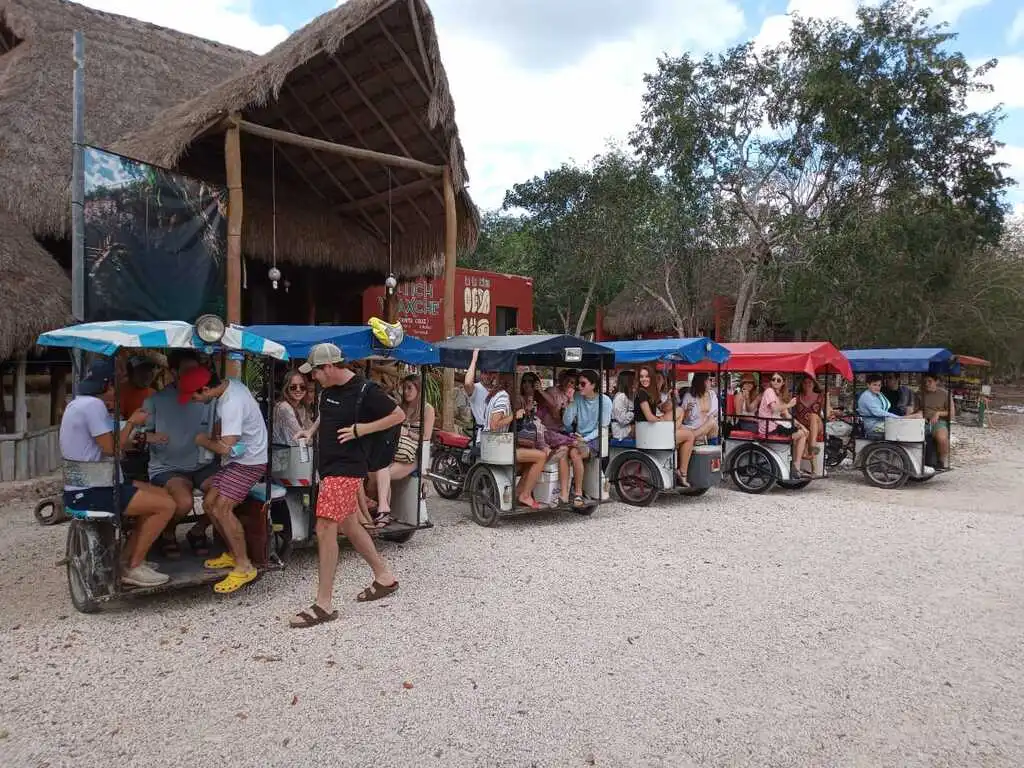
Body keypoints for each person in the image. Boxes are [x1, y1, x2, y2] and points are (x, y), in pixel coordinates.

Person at [289, 343, 404, 628]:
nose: (311, 378)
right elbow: (325, 416)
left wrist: (361, 430)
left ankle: (323, 604)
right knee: (351, 525)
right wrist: (311, 430)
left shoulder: (366, 391)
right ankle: (384, 577)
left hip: (347, 468)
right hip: (329, 467)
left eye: (314, 372)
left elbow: (397, 415)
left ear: (328, 367)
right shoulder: (327, 392)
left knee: (325, 526)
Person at [60, 359, 175, 587]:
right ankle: (133, 567)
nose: (117, 391)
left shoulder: (78, 403)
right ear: (106, 385)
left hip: (88, 484)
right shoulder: (93, 406)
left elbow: (107, 441)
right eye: (115, 385)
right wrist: (132, 422)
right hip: (93, 490)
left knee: (160, 496)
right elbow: (111, 448)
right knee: (166, 506)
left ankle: (126, 560)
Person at [177, 365, 268, 594]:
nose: (195, 400)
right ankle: (232, 553)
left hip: (248, 462)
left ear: (206, 388)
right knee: (209, 504)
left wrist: (202, 441)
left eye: (196, 395)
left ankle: (244, 566)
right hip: (240, 460)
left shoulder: (231, 404)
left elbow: (227, 448)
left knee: (222, 509)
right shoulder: (230, 384)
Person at [143, 350, 218, 558]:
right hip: (168, 467)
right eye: (187, 371)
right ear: (174, 372)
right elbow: (139, 435)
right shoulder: (156, 400)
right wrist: (152, 438)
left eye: (196, 370)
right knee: (183, 503)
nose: (193, 375)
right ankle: (167, 532)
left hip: (202, 463)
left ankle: (198, 530)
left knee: (227, 494)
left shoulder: (207, 398)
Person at [483, 372, 549, 508]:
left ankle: (518, 492)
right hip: (498, 446)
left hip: (497, 443)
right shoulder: (503, 397)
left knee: (530, 461)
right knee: (541, 456)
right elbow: (494, 425)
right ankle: (525, 495)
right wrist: (515, 415)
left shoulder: (496, 395)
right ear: (510, 382)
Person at [378, 374, 435, 509]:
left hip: (413, 455)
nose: (406, 392)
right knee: (375, 472)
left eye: (410, 388)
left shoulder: (427, 409)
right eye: (404, 388)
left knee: (384, 474)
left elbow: (426, 436)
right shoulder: (400, 407)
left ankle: (383, 513)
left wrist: (408, 432)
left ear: (418, 389)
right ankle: (382, 509)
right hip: (395, 451)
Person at [635, 365, 696, 487]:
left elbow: (664, 408)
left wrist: (670, 397)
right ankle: (682, 472)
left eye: (646, 376)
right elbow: (649, 417)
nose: (644, 379)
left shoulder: (651, 393)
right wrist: (662, 420)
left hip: (652, 429)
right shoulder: (641, 393)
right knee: (689, 434)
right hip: (648, 430)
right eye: (641, 377)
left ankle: (681, 470)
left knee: (680, 413)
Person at [563, 369, 613, 507]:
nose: (579, 386)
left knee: (575, 452)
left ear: (593, 385)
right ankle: (568, 491)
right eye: (578, 384)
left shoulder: (605, 401)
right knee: (563, 451)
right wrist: (571, 401)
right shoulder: (578, 397)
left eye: (583, 384)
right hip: (578, 437)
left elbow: (603, 427)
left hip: (596, 438)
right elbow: (567, 422)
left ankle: (578, 493)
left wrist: (585, 439)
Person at [759, 372, 811, 478]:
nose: (775, 382)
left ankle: (796, 465)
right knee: (801, 434)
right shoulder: (769, 391)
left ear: (783, 383)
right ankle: (796, 466)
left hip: (776, 425)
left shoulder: (778, 395)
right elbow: (774, 408)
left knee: (803, 432)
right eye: (773, 379)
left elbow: (787, 415)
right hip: (769, 427)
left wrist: (802, 426)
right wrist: (789, 404)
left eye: (778, 380)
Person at [919, 372, 953, 468]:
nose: (927, 384)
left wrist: (938, 413)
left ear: (936, 381)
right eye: (925, 382)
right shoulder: (921, 394)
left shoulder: (945, 394)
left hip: (939, 422)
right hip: (923, 421)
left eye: (930, 381)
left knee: (942, 438)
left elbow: (952, 413)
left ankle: (942, 461)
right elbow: (916, 409)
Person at [463, 349, 497, 445]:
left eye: (491, 373)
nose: (488, 376)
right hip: (483, 437)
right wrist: (474, 360)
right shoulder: (476, 388)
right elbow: (467, 383)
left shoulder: (498, 390)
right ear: (481, 374)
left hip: (498, 434)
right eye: (486, 373)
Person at [857, 373, 904, 438]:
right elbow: (878, 412)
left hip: (881, 422)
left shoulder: (878, 395)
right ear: (868, 385)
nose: (877, 387)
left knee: (902, 426)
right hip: (872, 426)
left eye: (879, 385)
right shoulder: (867, 396)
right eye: (874, 385)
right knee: (899, 428)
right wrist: (898, 417)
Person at [273, 370, 314, 445]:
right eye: (293, 387)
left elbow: (311, 430)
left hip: (296, 452)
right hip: (283, 453)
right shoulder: (284, 407)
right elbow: (299, 436)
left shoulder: (301, 407)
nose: (298, 390)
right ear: (286, 388)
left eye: (302, 387)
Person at [679, 372, 718, 442]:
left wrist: (711, 417)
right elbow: (683, 420)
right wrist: (687, 410)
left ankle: (693, 436)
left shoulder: (712, 394)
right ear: (702, 382)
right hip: (693, 427)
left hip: (708, 427)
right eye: (709, 380)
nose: (711, 382)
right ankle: (697, 436)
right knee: (712, 423)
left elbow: (717, 412)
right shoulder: (689, 396)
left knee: (713, 423)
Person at [793, 375, 825, 460]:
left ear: (814, 384)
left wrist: (828, 398)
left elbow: (828, 413)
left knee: (813, 416)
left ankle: (812, 446)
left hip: (818, 425)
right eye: (805, 382)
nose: (807, 384)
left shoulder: (820, 396)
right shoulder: (797, 397)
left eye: (810, 382)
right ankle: (809, 453)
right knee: (806, 430)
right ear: (802, 384)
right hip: (803, 425)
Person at [610, 370, 636, 440]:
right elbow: (622, 420)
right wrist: (634, 412)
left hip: (626, 427)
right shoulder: (621, 397)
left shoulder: (630, 396)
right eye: (634, 380)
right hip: (619, 431)